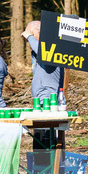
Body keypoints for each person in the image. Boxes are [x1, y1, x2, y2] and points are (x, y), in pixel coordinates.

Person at [22, 20, 64, 152]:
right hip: (40, 103)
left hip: (50, 105)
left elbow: (44, 53)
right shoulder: (37, 51)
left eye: (29, 33)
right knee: (40, 142)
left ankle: (51, 165)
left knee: (49, 142)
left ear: (38, 32)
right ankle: (40, 164)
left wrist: (29, 37)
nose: (26, 37)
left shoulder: (51, 48)